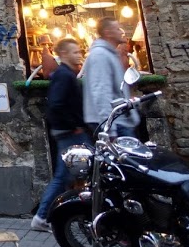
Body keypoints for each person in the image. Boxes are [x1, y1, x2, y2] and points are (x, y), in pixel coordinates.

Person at [32, 38, 91, 232]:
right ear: (64, 54)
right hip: (70, 132)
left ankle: (78, 212)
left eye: (79, 51)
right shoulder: (64, 75)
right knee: (63, 175)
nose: (79, 54)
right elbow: (56, 104)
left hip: (71, 131)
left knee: (75, 173)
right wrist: (74, 125)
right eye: (75, 52)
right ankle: (41, 216)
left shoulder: (66, 74)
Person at [82, 18, 139, 138]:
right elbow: (101, 92)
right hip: (114, 123)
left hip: (118, 120)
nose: (121, 32)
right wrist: (109, 130)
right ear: (108, 32)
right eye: (117, 28)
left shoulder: (108, 54)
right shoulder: (100, 55)